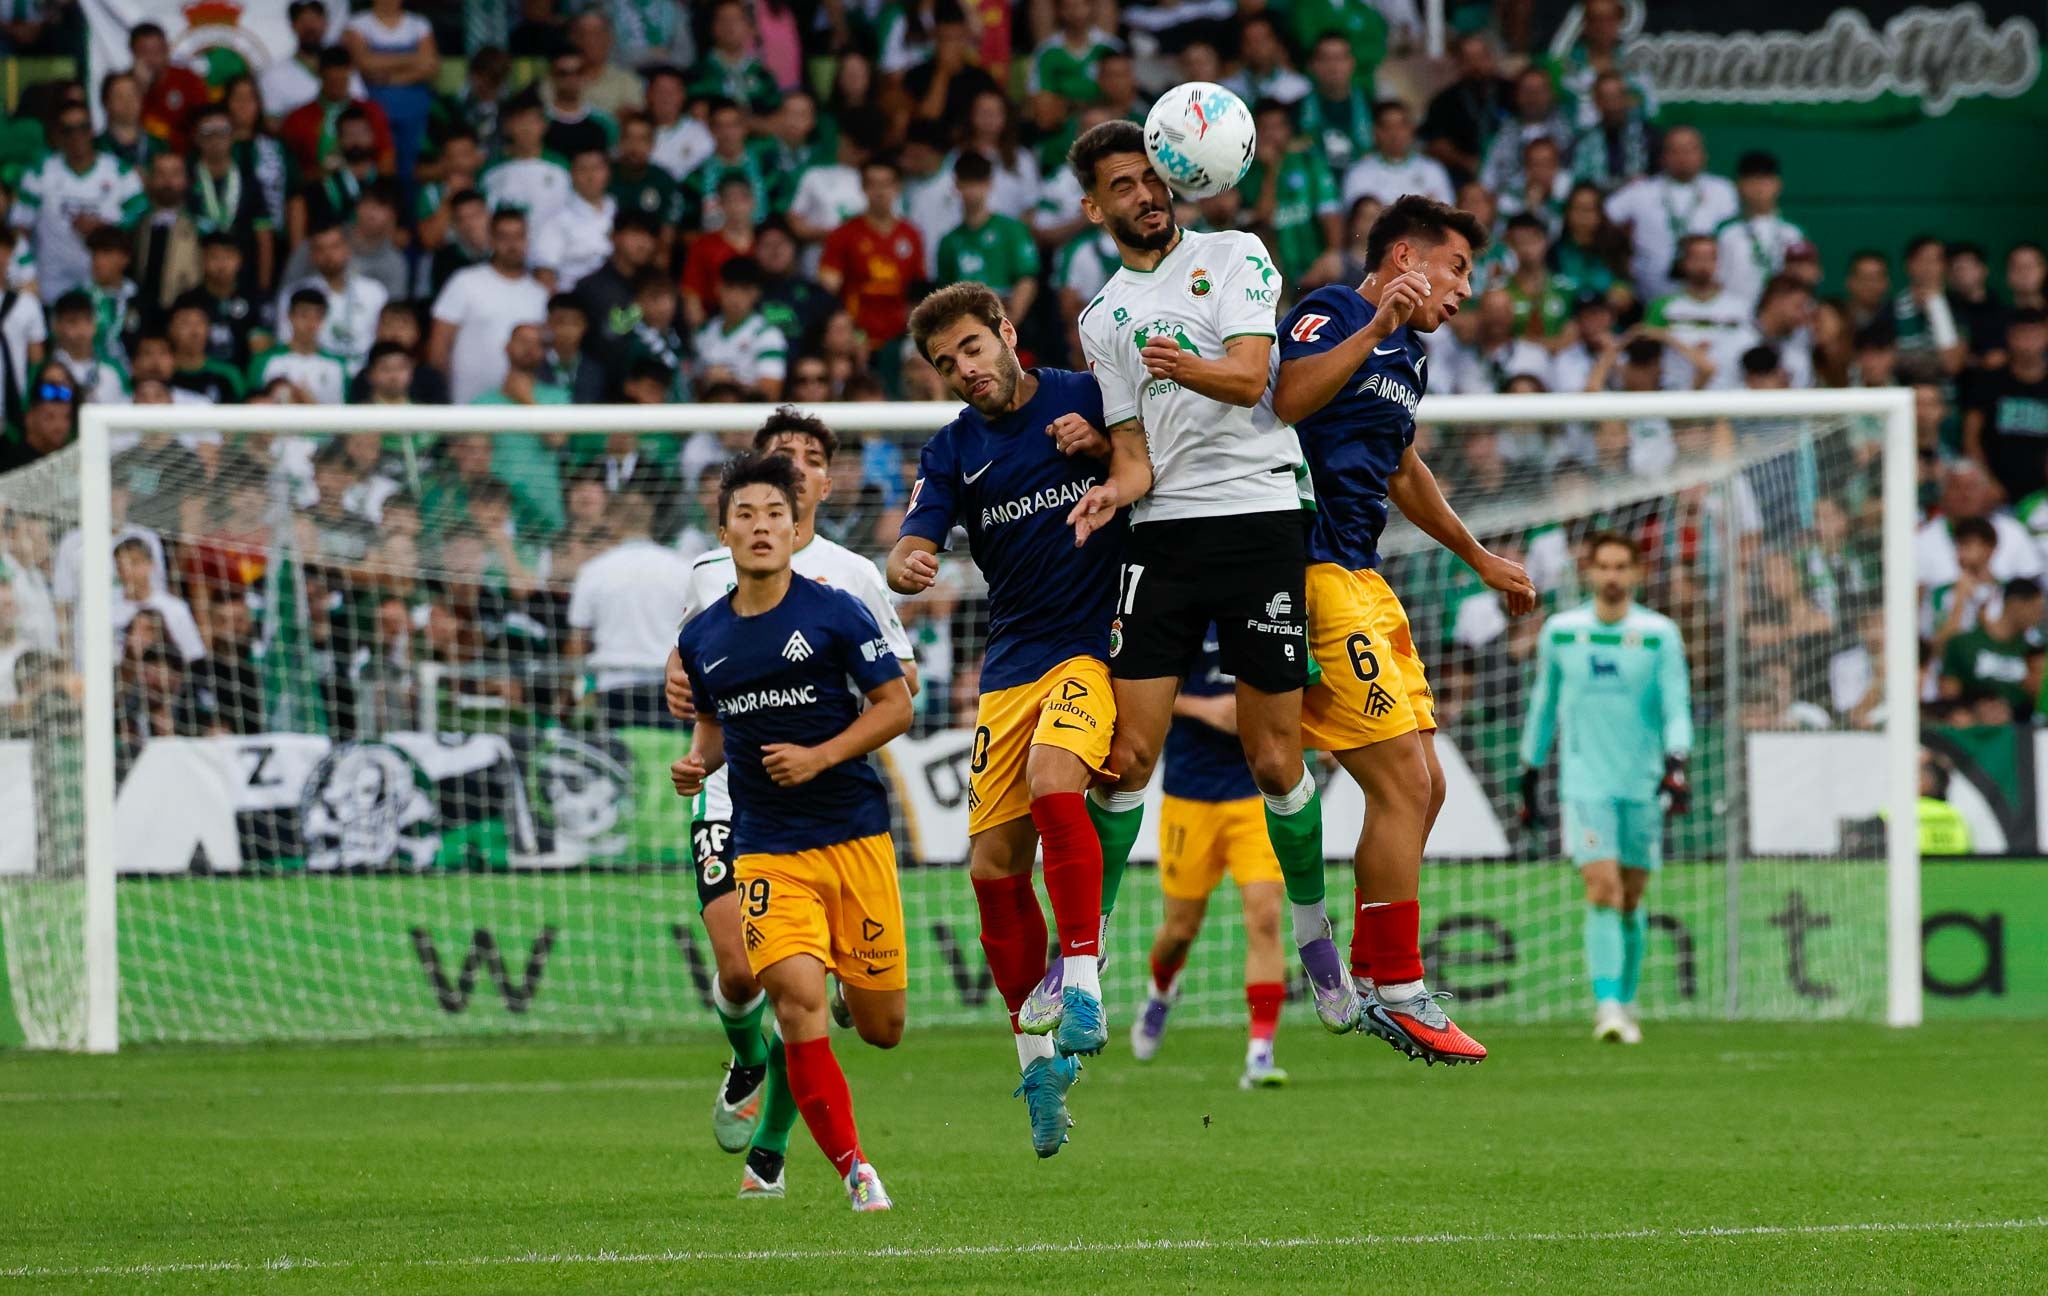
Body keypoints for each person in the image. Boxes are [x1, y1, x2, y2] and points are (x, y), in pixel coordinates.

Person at [1059, 119, 1354, 1036]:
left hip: (1261, 514)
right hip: (1164, 532)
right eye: (1122, 186)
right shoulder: (1100, 317)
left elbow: (1253, 377)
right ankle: (1086, 958)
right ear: (1093, 207)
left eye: (1152, 177)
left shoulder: (1236, 254)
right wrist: (1112, 488)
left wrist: (1187, 366)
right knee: (1125, 759)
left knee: (1275, 758)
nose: (1144, 195)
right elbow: (1138, 454)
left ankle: (1314, 940)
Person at [1271, 194, 1537, 1063]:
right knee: (1399, 785)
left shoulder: (1409, 358)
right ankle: (1396, 987)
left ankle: (1379, 971)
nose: (1464, 291)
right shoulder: (1334, 311)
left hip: (1363, 574)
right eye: (1456, 268)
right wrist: (1373, 318)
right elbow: (1287, 398)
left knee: (1429, 784)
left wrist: (1479, 557)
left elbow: (1401, 465)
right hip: (1307, 568)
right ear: (1401, 259)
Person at [882, 283, 1120, 1149]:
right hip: (1009, 662)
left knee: (1058, 782)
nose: (964, 370)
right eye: (946, 363)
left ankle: (1085, 980)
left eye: (973, 349)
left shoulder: (1084, 394)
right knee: (989, 867)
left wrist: (1099, 446)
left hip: (1094, 644)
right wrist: (906, 561)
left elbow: (1155, 464)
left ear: (1007, 334)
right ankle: (1036, 1067)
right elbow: (917, 534)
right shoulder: (951, 449)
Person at [661, 407, 917, 1184]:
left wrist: (825, 742)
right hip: (740, 801)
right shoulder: (710, 576)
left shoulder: (853, 579)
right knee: (743, 972)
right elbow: (696, 681)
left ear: (820, 485)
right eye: (782, 457)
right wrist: (695, 745)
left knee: (840, 1010)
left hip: (836, 810)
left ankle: (770, 1152)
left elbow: (900, 688)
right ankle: (747, 1063)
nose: (795, 468)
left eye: (809, 459)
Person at [1519, 533, 1694, 1044]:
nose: (1612, 576)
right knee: (1602, 888)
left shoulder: (1660, 635)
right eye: (1604, 567)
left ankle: (1625, 995)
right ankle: (1609, 1007)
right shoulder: (1562, 632)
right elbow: (1543, 704)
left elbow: (1676, 705)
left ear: (1637, 574)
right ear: (1589, 573)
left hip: (1642, 782)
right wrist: (1528, 771)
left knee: (1632, 895)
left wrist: (1677, 760)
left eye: (1622, 566)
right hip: (1584, 783)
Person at [1129, 630, 1291, 1089]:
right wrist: (1208, 709)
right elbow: (1139, 687)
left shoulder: (1263, 608)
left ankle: (1260, 1051)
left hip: (1257, 795)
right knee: (1179, 931)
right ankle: (1161, 993)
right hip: (1189, 794)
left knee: (1265, 917)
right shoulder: (1182, 610)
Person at [565, 480, 692, 730]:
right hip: (670, 685)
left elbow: (576, 642)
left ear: (611, 521)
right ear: (649, 520)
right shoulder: (683, 568)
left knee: (620, 764)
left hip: (615, 687)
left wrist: (579, 690)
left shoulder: (593, 571)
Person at [13, 100, 145, 300]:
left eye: (83, 128)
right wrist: (26, 272)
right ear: (58, 134)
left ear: (92, 130)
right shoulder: (39, 174)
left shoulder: (120, 173)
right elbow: (19, 227)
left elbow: (141, 216)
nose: (77, 136)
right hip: (51, 284)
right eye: (68, 130)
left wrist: (105, 228)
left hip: (105, 289)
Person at [429, 207, 550, 405]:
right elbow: (439, 348)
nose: (512, 245)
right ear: (491, 240)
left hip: (521, 410)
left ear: (528, 240)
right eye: (504, 237)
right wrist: (444, 400)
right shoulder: (464, 282)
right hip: (466, 407)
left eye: (519, 236)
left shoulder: (540, 294)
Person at [1603, 128, 1739, 301]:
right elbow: (1604, 221)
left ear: (1703, 154)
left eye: (1690, 149)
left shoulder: (1723, 191)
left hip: (1706, 298)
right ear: (1663, 156)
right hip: (1647, 298)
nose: (1683, 157)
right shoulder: (1640, 191)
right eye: (1675, 150)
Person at [1965, 309, 2048, 505]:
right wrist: (1986, 481)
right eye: (2021, 335)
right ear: (2009, 337)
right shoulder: (1989, 381)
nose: (2028, 343)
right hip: (1994, 493)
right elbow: (1970, 437)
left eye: (2034, 335)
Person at [1936, 576, 2046, 721]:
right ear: (2015, 604)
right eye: (2036, 609)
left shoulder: (2033, 652)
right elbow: (1948, 695)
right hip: (1974, 731)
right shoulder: (1964, 644)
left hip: (2019, 730)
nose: (2040, 616)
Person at [1713, 151, 1806, 311]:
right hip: (1735, 316)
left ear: (1778, 184)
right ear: (1739, 186)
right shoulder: (1726, 232)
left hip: (1780, 316)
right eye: (1752, 181)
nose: (1759, 188)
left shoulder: (1792, 233)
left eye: (1765, 180)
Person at [693, 257, 787, 401]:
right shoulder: (703, 333)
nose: (736, 297)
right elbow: (693, 388)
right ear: (719, 288)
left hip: (750, 418)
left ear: (756, 293)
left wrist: (730, 382)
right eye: (730, 288)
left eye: (744, 290)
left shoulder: (767, 334)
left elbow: (771, 392)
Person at [1342, 100, 1454, 210]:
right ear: (1375, 132)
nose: (1395, 134)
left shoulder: (1433, 170)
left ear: (1412, 129)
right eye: (1388, 127)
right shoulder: (1359, 174)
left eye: (1402, 125)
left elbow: (1446, 216)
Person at [531, 147, 616, 294]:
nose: (590, 176)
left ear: (607, 173)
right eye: (583, 169)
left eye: (596, 168)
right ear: (572, 175)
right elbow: (545, 272)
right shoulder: (556, 220)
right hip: (575, 299)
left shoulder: (618, 211)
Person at [479, 92, 571, 223]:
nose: (527, 129)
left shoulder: (563, 166)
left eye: (533, 121)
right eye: (520, 122)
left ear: (544, 125)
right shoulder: (490, 171)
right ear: (507, 126)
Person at [249, 289, 349, 405]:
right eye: (304, 315)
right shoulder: (264, 361)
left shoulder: (337, 365)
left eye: (318, 316)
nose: (311, 323)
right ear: (290, 316)